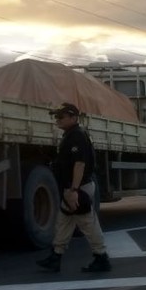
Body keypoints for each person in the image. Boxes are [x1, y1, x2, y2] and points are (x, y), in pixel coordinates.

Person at [37, 102, 111, 273]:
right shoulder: (70, 135)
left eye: (61, 116)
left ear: (73, 117)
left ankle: (101, 257)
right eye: (56, 116)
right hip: (72, 188)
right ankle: (56, 256)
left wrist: (74, 191)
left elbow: (79, 164)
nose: (57, 119)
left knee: (87, 223)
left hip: (78, 188)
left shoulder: (76, 136)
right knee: (63, 222)